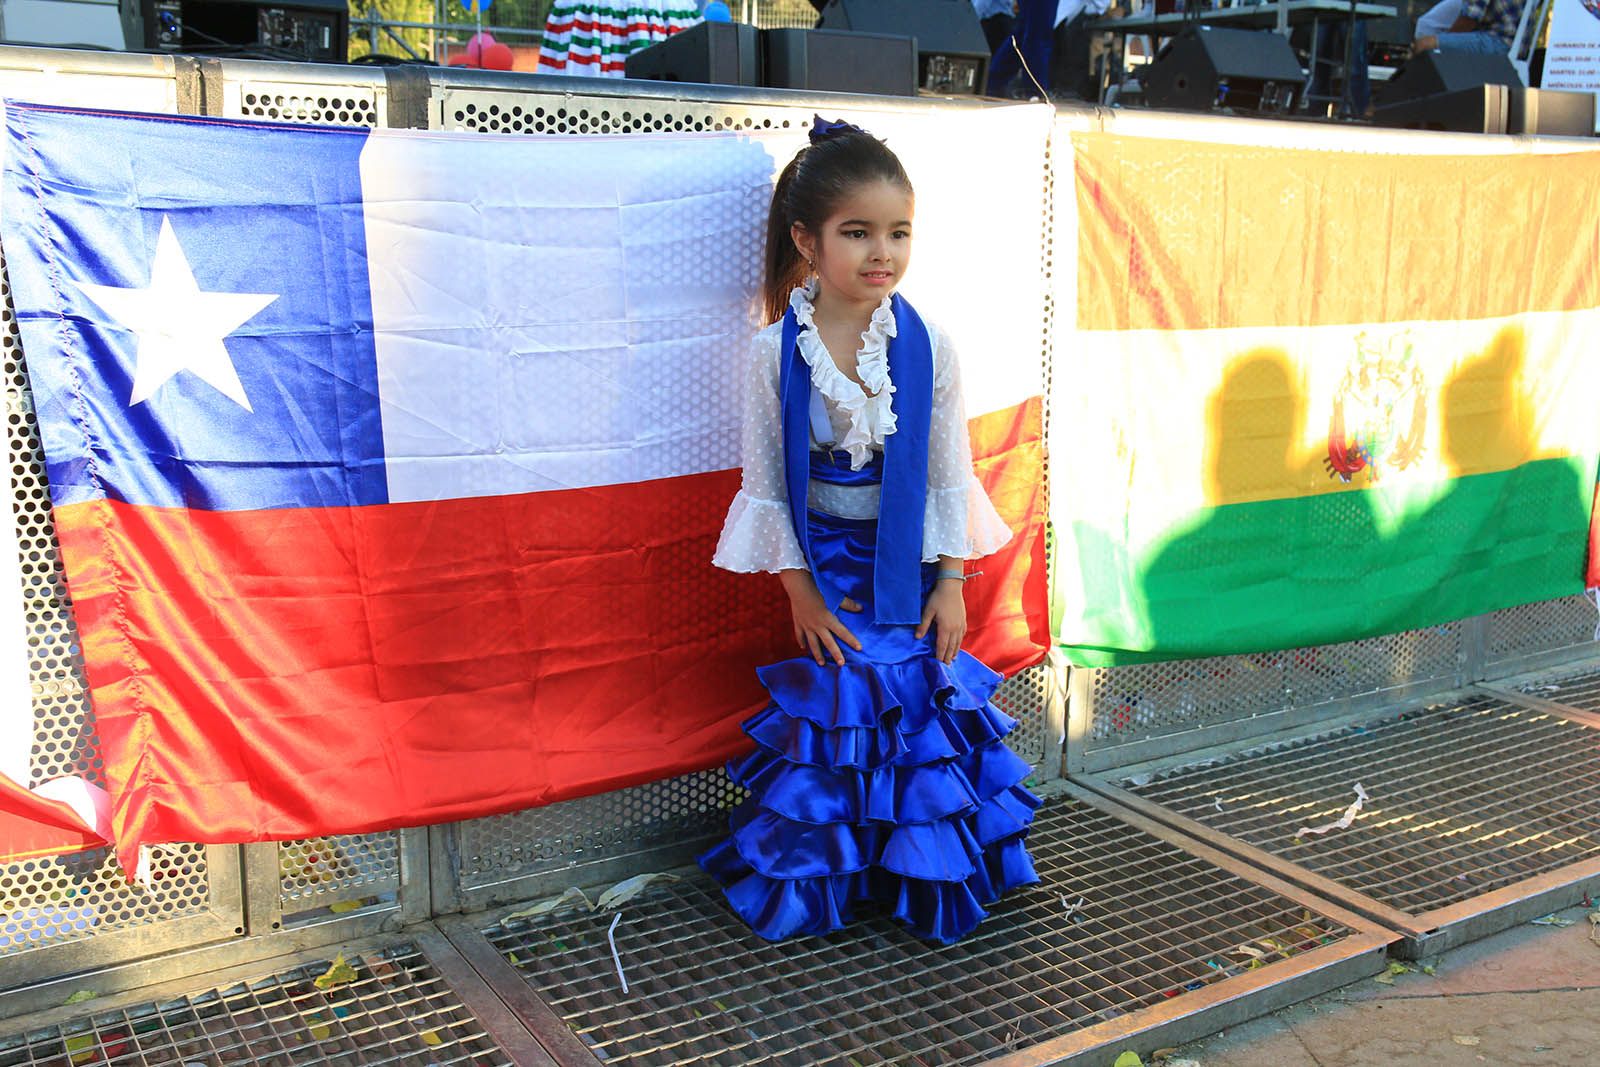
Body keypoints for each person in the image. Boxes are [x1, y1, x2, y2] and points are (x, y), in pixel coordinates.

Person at [697, 118, 1040, 944]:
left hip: (909, 567)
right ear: (806, 241)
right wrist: (801, 593)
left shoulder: (931, 345)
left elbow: (949, 470)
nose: (881, 253)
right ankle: (834, 878)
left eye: (898, 232)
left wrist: (952, 580)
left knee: (918, 708)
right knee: (842, 710)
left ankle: (919, 875)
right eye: (857, 232)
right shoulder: (773, 352)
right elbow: (765, 485)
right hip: (825, 567)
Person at [1411, 0, 1521, 55]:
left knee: (1426, 43)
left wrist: (1443, 41)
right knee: (1426, 25)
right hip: (1508, 37)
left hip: (1501, 42)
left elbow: (1470, 19)